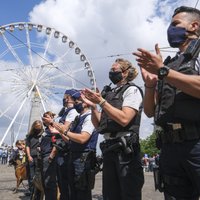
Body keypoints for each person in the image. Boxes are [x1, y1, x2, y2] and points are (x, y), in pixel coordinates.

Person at [133, 6, 200, 200]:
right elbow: (149, 112)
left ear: (194, 26)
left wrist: (163, 71)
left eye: (175, 24)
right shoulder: (169, 65)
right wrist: (150, 86)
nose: (170, 30)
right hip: (170, 147)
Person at [82, 58, 144, 200]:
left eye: (115, 70)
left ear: (125, 72)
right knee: (110, 194)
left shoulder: (132, 90)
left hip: (125, 149)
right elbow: (99, 126)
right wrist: (93, 106)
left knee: (129, 193)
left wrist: (101, 102)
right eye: (111, 70)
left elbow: (124, 119)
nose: (111, 72)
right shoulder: (108, 95)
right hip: (109, 149)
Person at [56, 90, 98, 200]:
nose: (76, 103)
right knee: (73, 191)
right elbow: (70, 139)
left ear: (86, 102)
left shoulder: (89, 117)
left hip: (83, 158)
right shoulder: (78, 118)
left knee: (81, 191)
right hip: (74, 156)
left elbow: (83, 138)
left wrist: (64, 131)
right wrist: (56, 127)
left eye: (78, 101)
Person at [43, 89, 79, 200]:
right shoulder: (64, 111)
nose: (64, 99)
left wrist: (52, 123)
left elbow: (64, 129)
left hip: (66, 150)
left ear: (68, 98)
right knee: (62, 182)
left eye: (65, 97)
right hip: (60, 150)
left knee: (66, 183)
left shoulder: (72, 112)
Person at [40, 111, 58, 200]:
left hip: (48, 157)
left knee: (49, 181)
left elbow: (57, 142)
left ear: (51, 118)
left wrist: (52, 155)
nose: (43, 119)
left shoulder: (53, 128)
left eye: (46, 117)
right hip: (43, 156)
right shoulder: (46, 130)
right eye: (43, 117)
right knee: (45, 182)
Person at [26, 120, 44, 200]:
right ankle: (31, 192)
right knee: (31, 176)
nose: (38, 129)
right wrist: (29, 156)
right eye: (36, 127)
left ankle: (37, 194)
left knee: (38, 176)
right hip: (31, 157)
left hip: (39, 157)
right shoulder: (30, 136)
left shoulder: (43, 135)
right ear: (34, 127)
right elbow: (27, 146)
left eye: (39, 127)